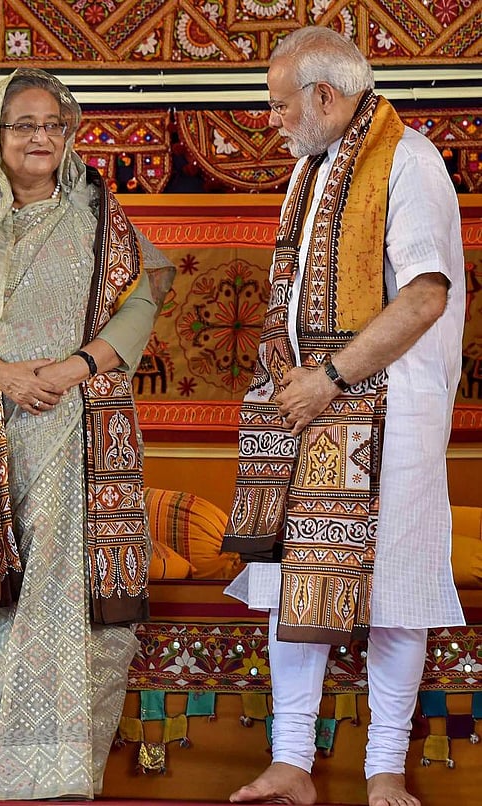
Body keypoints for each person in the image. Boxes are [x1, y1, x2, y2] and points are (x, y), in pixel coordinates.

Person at [0, 68, 174, 800]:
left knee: (70, 589)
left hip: (81, 427)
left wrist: (77, 368)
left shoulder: (100, 215)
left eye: (53, 123)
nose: (41, 137)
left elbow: (140, 302)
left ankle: (63, 770)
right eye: (23, 124)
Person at [221, 26, 465, 806]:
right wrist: (302, 385)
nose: (272, 120)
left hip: (389, 408)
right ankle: (292, 764)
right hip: (307, 408)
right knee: (295, 582)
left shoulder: (408, 162)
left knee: (395, 589)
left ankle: (384, 770)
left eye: (280, 104)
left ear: (324, 95)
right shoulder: (312, 168)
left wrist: (328, 377)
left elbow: (424, 296)